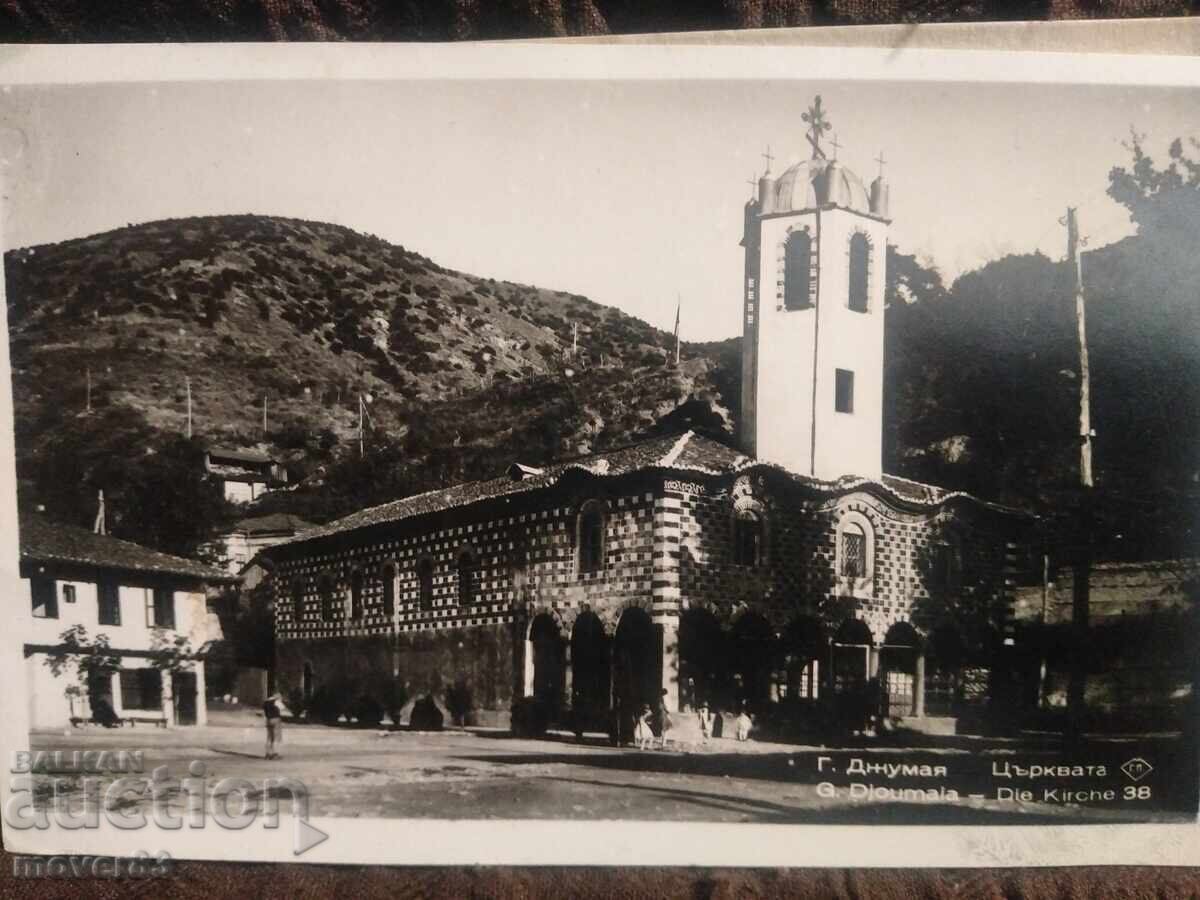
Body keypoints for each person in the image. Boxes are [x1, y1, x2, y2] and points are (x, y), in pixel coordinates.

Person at [263, 693, 283, 759]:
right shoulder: (276, 701)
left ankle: (267, 753)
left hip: (268, 720)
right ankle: (274, 753)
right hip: (276, 719)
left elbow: (264, 712)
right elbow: (283, 708)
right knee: (276, 737)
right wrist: (279, 700)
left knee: (269, 737)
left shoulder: (265, 702)